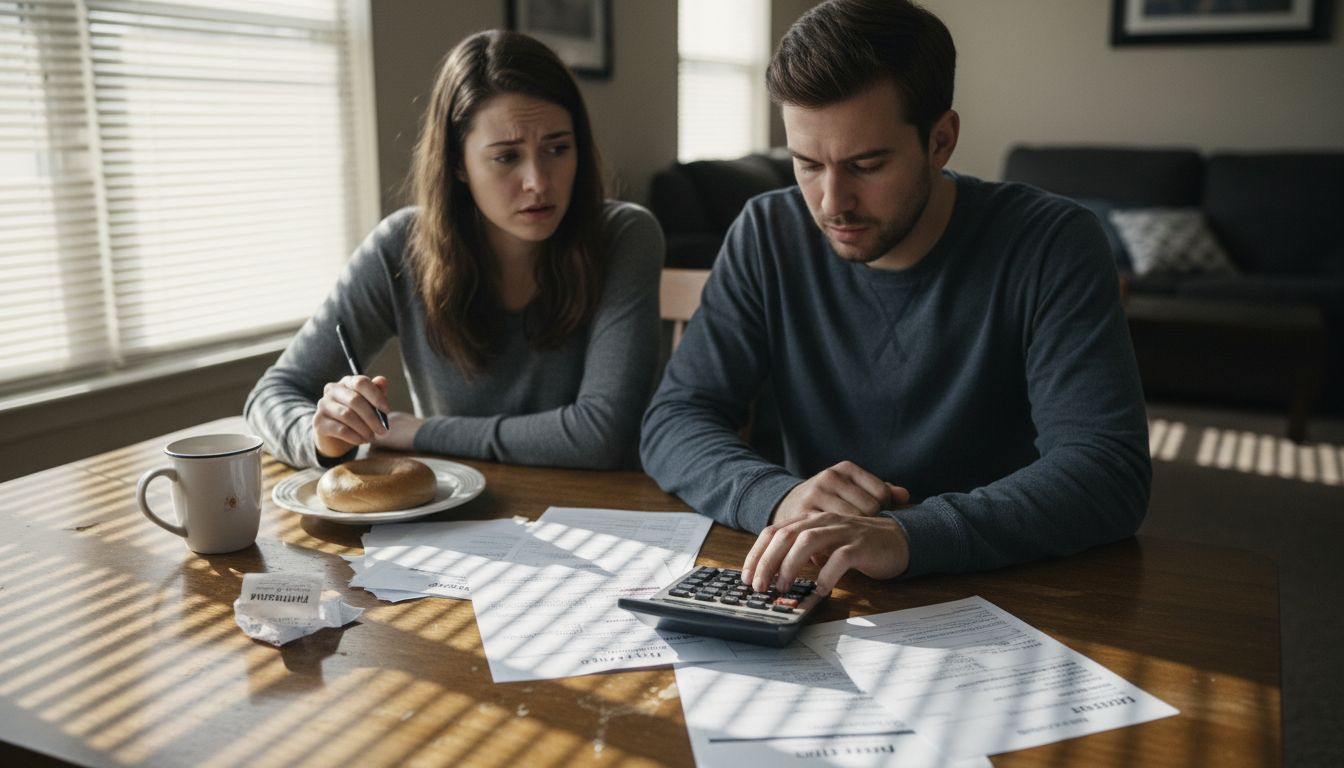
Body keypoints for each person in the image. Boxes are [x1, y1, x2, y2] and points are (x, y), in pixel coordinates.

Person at [640, 0, 1150, 595]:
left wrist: (909, 535)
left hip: (1003, 589)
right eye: (806, 164)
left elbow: (1107, 472)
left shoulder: (1052, 244)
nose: (833, 202)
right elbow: (675, 418)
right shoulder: (766, 233)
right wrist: (778, 496)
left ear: (941, 140)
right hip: (817, 586)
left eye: (867, 164)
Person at [246, 30, 662, 470]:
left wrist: (421, 432)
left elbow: (602, 435)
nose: (538, 181)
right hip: (460, 521)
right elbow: (271, 396)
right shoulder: (401, 246)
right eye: (506, 157)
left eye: (558, 148)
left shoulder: (625, 236)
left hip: (605, 516)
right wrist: (325, 436)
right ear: (458, 163)